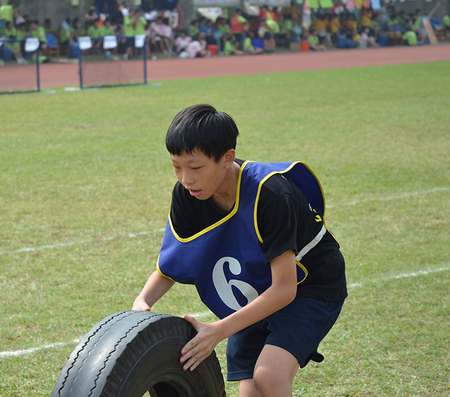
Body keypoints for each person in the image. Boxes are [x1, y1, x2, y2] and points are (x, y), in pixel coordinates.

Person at [132, 104, 347, 397]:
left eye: (195, 167)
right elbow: (171, 264)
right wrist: (142, 301)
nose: (186, 178)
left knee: (269, 376)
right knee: (250, 392)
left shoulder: (271, 194)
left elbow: (285, 289)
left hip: (310, 284)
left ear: (227, 158)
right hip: (256, 288)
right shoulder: (186, 195)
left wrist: (219, 330)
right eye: (176, 166)